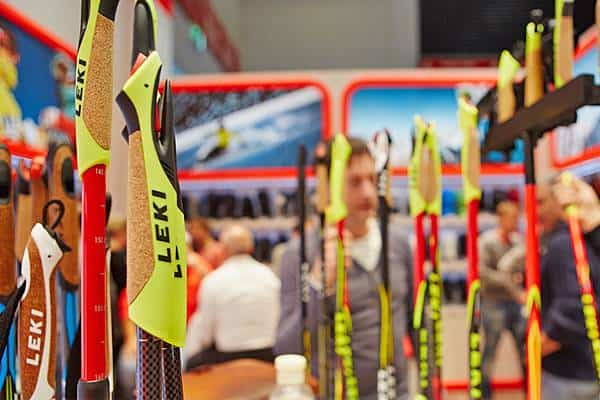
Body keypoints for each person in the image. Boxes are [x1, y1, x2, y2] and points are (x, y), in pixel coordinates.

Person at [275, 137, 413, 399]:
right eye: (355, 182)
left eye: (372, 179)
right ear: (328, 186)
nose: (368, 192)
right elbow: (287, 347)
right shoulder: (300, 254)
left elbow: (417, 325)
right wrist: (318, 282)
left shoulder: (397, 243)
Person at [184, 225, 280, 370]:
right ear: (251, 247)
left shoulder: (214, 280)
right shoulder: (270, 276)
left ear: (223, 249)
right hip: (268, 353)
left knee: (191, 360)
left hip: (228, 357)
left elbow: (204, 333)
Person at [540, 175, 600, 400]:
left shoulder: (563, 243)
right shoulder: (586, 240)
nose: (537, 210)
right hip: (586, 367)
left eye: (542, 202)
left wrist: (543, 343)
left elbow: (573, 308)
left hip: (569, 373)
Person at [478, 200, 524, 399]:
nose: (515, 222)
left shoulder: (517, 242)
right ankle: (484, 395)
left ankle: (531, 391)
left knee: (524, 348)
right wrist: (507, 280)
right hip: (493, 303)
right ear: (501, 218)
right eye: (512, 218)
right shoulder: (487, 241)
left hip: (515, 303)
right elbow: (481, 272)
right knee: (490, 351)